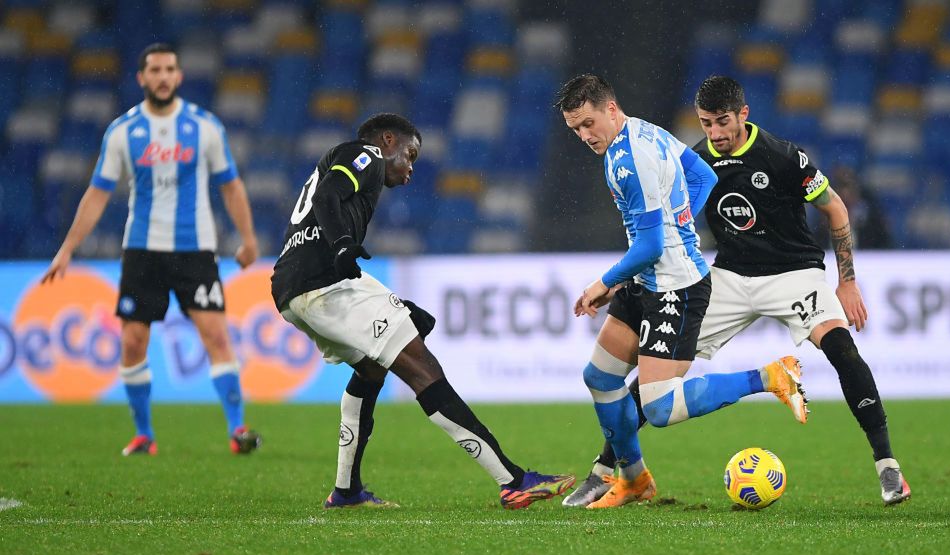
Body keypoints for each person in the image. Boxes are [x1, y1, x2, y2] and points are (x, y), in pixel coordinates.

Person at [564, 75, 909, 507]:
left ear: (743, 115)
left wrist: (848, 280)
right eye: (706, 124)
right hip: (729, 276)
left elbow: (835, 207)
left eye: (722, 122)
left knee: (841, 349)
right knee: (655, 376)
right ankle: (606, 468)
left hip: (793, 273)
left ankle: (887, 465)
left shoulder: (784, 157)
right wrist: (681, 234)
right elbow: (699, 186)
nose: (715, 134)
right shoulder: (698, 154)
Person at [270, 112, 575, 509]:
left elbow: (325, 199)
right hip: (323, 282)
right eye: (410, 154)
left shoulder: (353, 164)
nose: (411, 167)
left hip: (294, 286)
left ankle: (347, 491)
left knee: (372, 367)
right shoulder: (366, 154)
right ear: (387, 141)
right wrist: (344, 244)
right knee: (423, 369)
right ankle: (512, 480)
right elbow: (329, 196)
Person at [554, 74, 807, 510]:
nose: (584, 136)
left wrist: (605, 281)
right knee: (599, 376)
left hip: (676, 287)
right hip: (649, 278)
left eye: (588, 123)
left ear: (610, 109)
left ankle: (770, 376)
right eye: (575, 129)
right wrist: (681, 225)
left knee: (660, 408)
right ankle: (634, 480)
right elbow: (704, 176)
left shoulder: (628, 159)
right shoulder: (644, 130)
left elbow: (652, 245)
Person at [41, 43, 261, 456]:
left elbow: (231, 186)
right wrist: (68, 248)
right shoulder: (122, 132)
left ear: (179, 76)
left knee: (216, 334)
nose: (163, 76)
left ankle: (238, 430)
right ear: (141, 78)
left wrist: (248, 239)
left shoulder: (205, 127)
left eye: (170, 69)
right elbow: (97, 193)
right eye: (155, 70)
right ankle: (144, 435)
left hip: (195, 250)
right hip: (142, 251)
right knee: (132, 342)